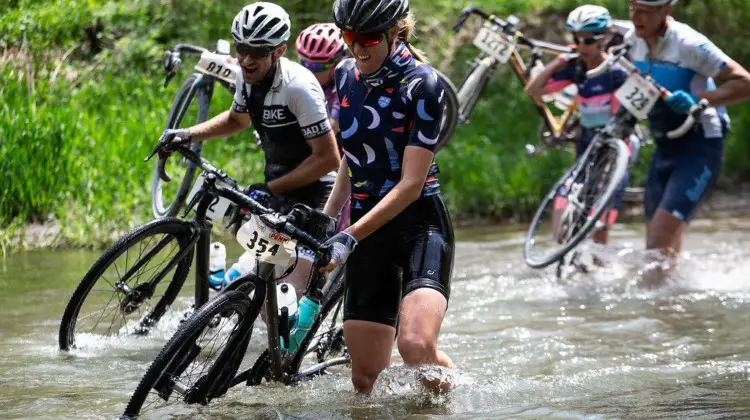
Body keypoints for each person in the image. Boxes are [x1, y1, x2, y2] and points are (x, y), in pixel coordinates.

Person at [158, 2, 341, 294]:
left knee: (288, 297)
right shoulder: (246, 74)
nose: (245, 59)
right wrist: (188, 134)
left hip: (315, 197)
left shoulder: (299, 88)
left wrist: (272, 189)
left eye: (256, 52)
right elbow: (236, 119)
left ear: (278, 51)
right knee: (244, 289)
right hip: (279, 190)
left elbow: (328, 158)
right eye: (240, 48)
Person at [320, 0, 456, 394]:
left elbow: (411, 184)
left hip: (420, 226)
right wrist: (330, 219)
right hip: (367, 230)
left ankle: (454, 399)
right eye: (349, 37)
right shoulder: (346, 74)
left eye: (368, 38)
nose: (357, 49)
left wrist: (350, 235)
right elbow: (352, 156)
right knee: (365, 377)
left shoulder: (423, 84)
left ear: (395, 32)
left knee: (415, 346)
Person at [626, 0, 750, 269]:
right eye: (632, 8)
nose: (637, 17)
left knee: (657, 242)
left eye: (645, 11)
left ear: (666, 11)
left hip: (700, 145)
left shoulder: (689, 43)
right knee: (660, 248)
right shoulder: (631, 38)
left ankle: (652, 306)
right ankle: (672, 306)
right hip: (664, 145)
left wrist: (699, 100)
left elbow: (744, 82)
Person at [525, 5, 630, 248]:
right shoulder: (576, 69)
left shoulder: (617, 72)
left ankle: (598, 270)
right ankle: (568, 261)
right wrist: (558, 63)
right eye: (576, 40)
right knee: (562, 220)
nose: (582, 46)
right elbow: (534, 90)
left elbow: (624, 120)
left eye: (589, 40)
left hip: (613, 153)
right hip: (585, 149)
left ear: (603, 39)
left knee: (599, 233)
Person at [295, 22, 351, 231]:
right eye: (304, 63)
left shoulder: (342, 84)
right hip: (306, 160)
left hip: (339, 168)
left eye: (317, 67)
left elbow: (331, 126)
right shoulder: (300, 80)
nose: (308, 70)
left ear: (337, 63)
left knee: (326, 232)